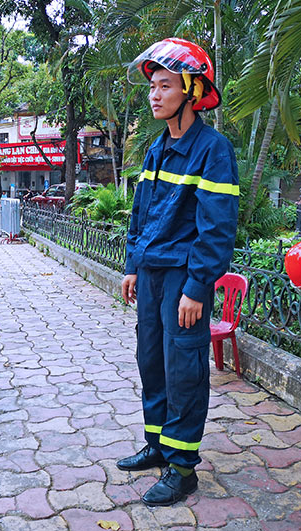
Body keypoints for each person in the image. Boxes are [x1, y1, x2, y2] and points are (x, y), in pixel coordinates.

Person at [118, 38, 239, 506]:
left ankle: (183, 467)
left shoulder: (213, 150)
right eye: (152, 85)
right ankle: (157, 445)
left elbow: (217, 228)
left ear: (191, 91)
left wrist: (196, 287)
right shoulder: (156, 149)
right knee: (152, 360)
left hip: (183, 280)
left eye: (164, 85)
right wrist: (132, 263)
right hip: (150, 275)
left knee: (184, 366)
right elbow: (141, 211)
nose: (154, 94)